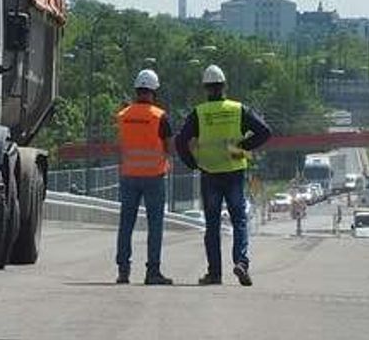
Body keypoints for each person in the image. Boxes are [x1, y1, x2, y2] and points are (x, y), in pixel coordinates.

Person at [177, 65, 272, 286]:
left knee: (212, 225)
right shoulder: (238, 109)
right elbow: (265, 132)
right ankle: (241, 262)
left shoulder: (199, 113)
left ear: (205, 88)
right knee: (239, 220)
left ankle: (214, 273)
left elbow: (181, 141)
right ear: (224, 86)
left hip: (209, 173)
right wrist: (243, 146)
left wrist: (192, 163)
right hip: (234, 171)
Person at [114, 69, 174, 286]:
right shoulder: (159, 116)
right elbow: (169, 147)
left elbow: (119, 145)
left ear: (136, 90)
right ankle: (153, 272)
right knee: (155, 225)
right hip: (154, 177)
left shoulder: (123, 115)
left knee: (126, 224)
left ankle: (123, 270)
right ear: (153, 91)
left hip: (129, 176)